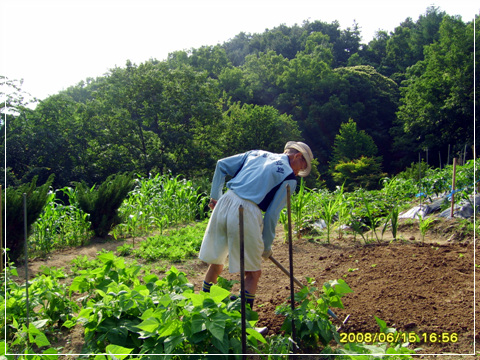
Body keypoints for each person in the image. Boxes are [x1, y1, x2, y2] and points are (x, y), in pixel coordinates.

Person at [198, 141, 313, 309]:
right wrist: (266, 246)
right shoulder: (289, 177)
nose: (298, 172)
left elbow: (221, 164)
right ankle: (246, 325)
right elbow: (272, 215)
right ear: (297, 156)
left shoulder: (256, 153)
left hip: (224, 202)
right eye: (301, 166)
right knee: (253, 273)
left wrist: (215, 197)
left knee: (216, 263)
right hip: (247, 210)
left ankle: (203, 311)